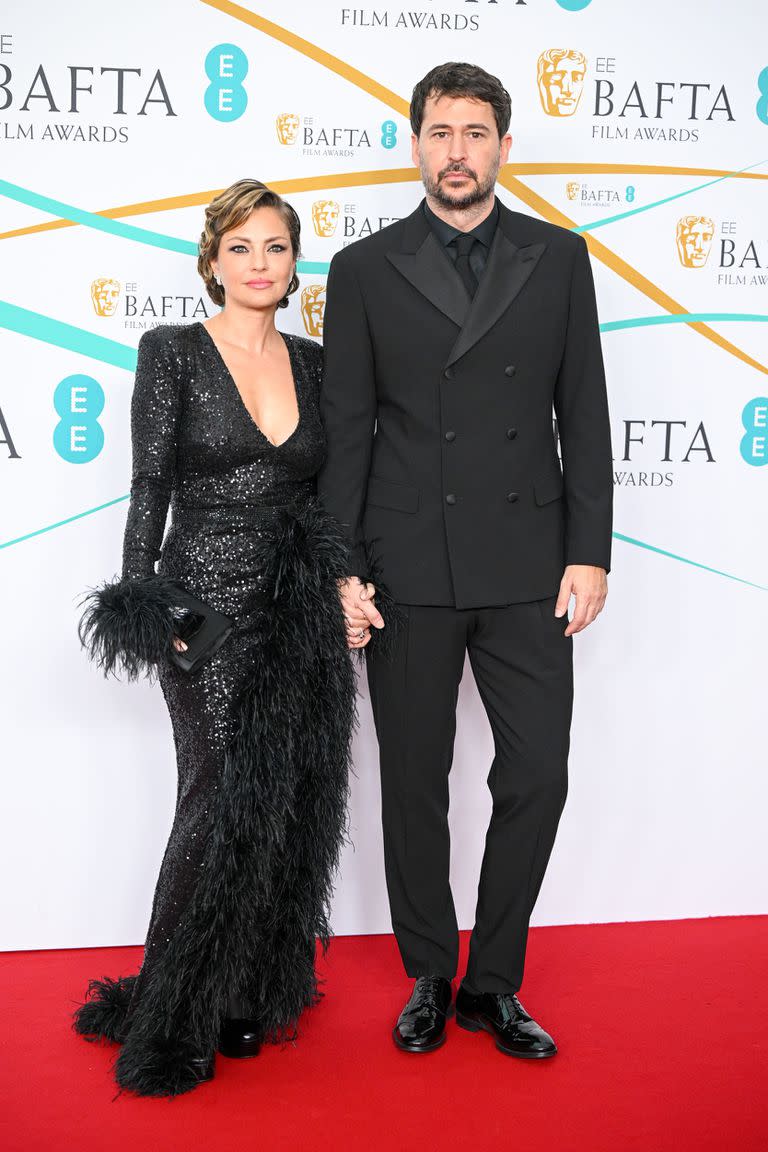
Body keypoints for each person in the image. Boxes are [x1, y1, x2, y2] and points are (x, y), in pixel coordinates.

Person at [318, 63, 613, 1059]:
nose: (457, 151)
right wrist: (344, 569)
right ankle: (431, 975)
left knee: (538, 775)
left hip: (532, 563)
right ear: (416, 144)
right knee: (415, 779)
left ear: (504, 146)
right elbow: (348, 434)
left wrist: (592, 553)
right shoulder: (362, 270)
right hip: (406, 567)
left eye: (476, 133)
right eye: (440, 132)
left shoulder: (560, 258)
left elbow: (586, 417)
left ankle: (496, 982)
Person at [74, 179, 362, 1097]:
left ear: (293, 262)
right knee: (212, 798)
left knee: (283, 806)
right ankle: (171, 1015)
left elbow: (330, 494)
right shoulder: (173, 354)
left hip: (298, 608)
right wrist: (147, 603)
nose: (258, 265)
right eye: (240, 248)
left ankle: (245, 988)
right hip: (207, 610)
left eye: (274, 248)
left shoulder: (316, 363)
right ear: (212, 261)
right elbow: (148, 487)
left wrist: (349, 583)